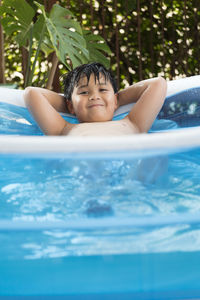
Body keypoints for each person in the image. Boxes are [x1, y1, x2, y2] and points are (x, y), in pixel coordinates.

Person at [24, 62, 167, 136]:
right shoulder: (63, 129)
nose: (94, 96)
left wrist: (113, 99)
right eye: (84, 92)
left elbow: (158, 84)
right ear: (71, 107)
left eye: (103, 90)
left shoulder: (133, 123)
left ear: (115, 100)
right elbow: (32, 93)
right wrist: (72, 104)